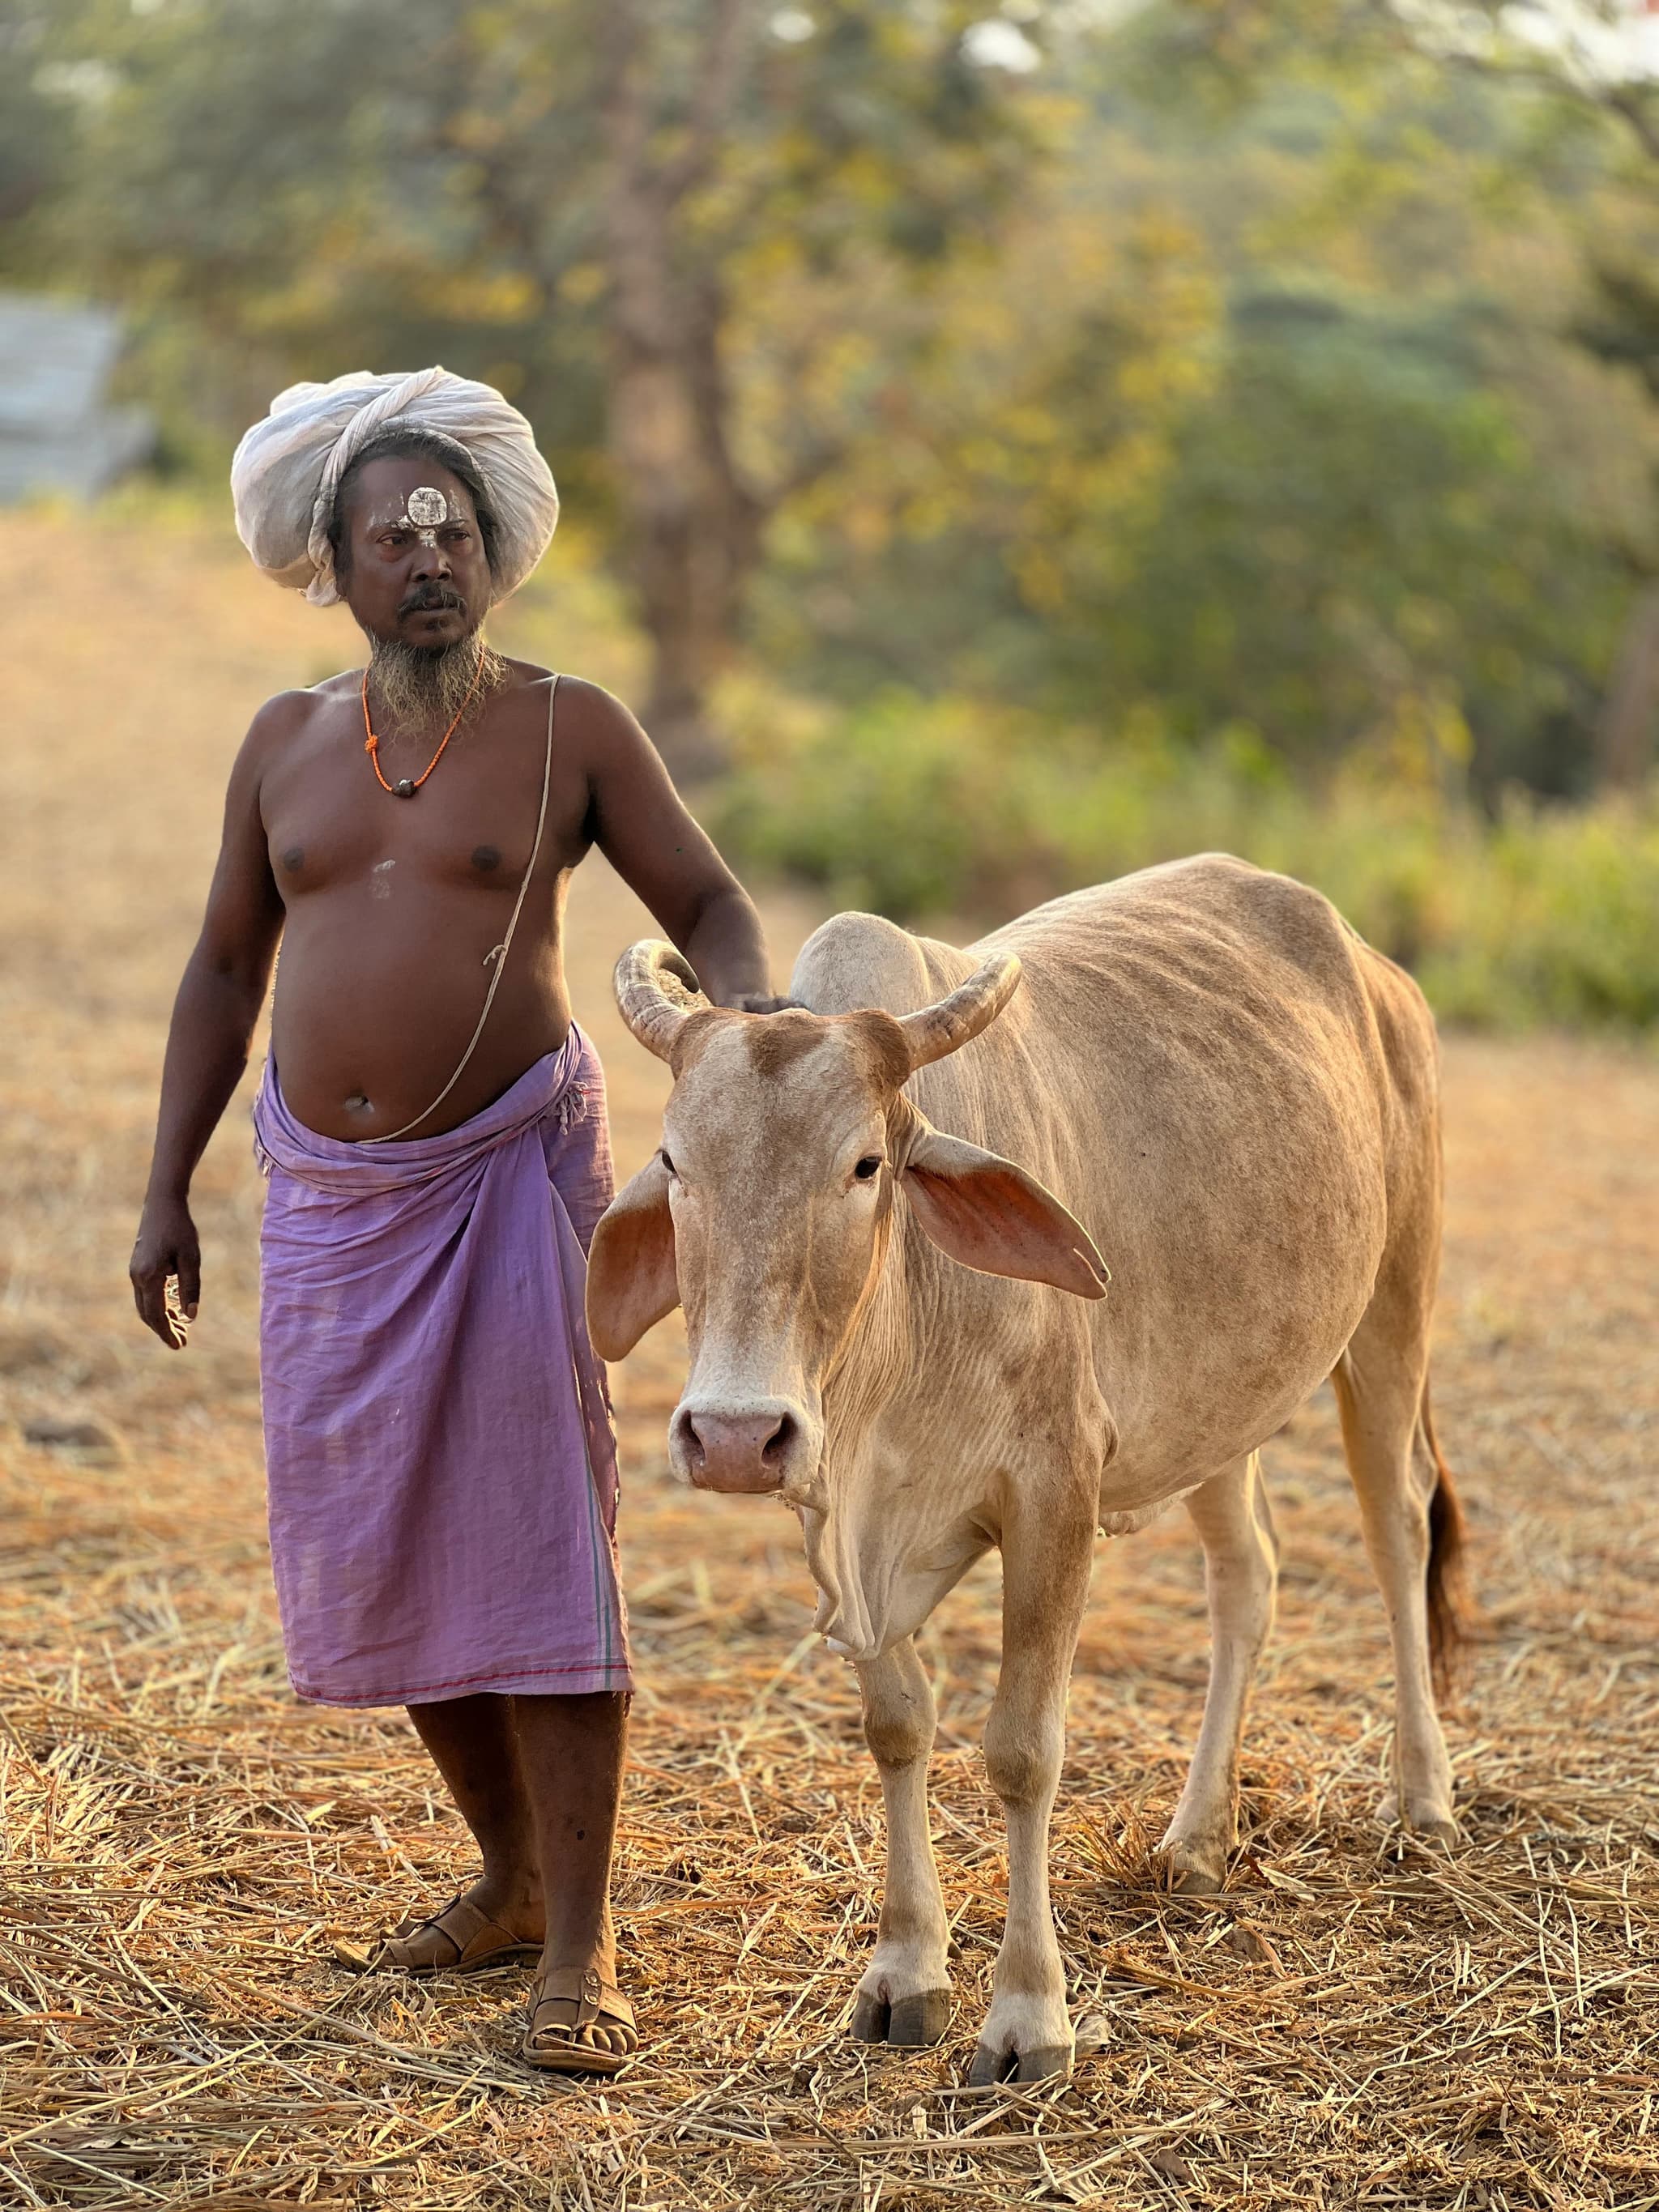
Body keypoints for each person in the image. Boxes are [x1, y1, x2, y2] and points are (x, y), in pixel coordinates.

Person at [130, 369, 778, 2075]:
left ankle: (585, 1943)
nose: (427, 556)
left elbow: (704, 896)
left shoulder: (571, 730)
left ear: (495, 551)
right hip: (331, 1200)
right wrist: (164, 1188)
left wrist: (749, 1026)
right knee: (385, 1535)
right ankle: (499, 1884)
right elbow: (220, 967)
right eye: (389, 535)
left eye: (453, 530)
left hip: (507, 1178)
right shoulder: (280, 745)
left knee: (540, 1544)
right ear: (329, 564)